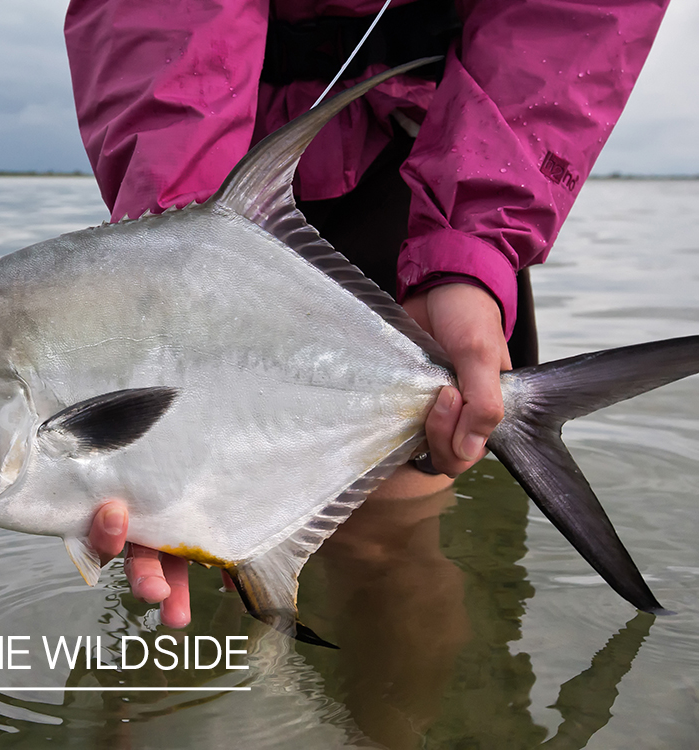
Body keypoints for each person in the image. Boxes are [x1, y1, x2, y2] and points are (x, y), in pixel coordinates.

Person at [63, 0, 670, 628]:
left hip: (430, 143)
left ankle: (384, 719)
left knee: (392, 538)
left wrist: (469, 248)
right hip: (219, 136)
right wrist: (180, 245)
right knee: (192, 531)